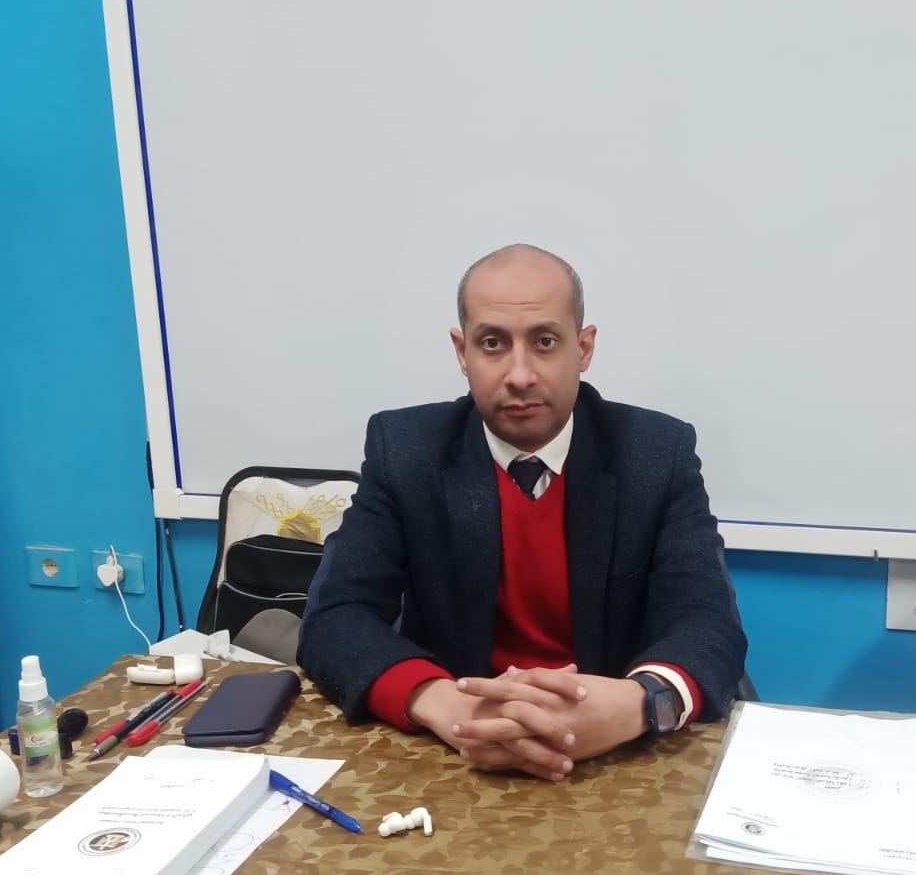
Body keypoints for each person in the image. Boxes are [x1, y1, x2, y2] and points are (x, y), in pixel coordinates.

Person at [297, 243, 747, 781]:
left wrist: (639, 704)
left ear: (583, 348)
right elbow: (336, 614)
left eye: (545, 342)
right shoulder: (405, 449)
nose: (519, 374)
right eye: (492, 343)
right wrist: (440, 701)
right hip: (453, 755)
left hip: (615, 758)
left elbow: (708, 620)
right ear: (462, 352)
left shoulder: (656, 453)